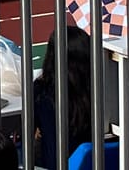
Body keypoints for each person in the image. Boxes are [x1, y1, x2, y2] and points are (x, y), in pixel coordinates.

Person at [32, 21, 95, 170]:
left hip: (57, 164)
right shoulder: (101, 86)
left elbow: (30, 130)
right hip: (99, 160)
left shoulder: (42, 89)